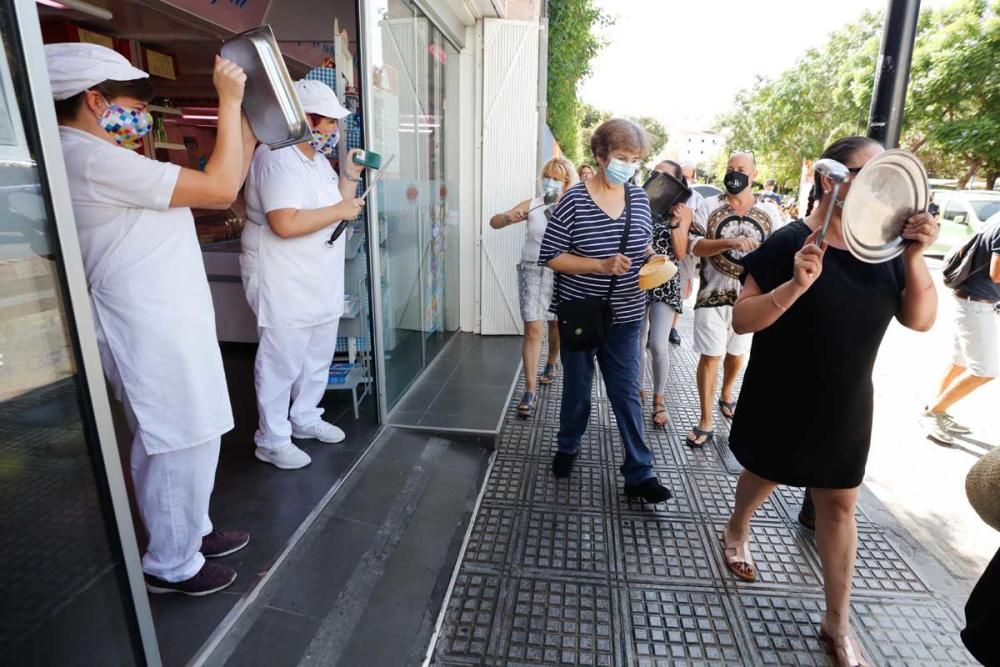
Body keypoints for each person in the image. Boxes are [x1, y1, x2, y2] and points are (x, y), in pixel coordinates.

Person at [46, 43, 257, 596]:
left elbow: (217, 180)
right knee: (174, 439)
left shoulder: (102, 156)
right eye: (135, 102)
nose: (143, 114)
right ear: (95, 101)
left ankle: (192, 530)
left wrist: (247, 124)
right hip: (143, 326)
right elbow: (218, 189)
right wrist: (229, 102)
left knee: (195, 432)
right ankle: (171, 562)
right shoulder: (84, 156)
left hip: (166, 320)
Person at [722, 136, 938, 667]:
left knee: (840, 502)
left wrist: (914, 255)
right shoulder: (789, 241)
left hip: (845, 399)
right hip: (781, 389)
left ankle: (836, 623)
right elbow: (742, 319)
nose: (879, 184)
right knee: (766, 470)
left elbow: (921, 318)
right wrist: (794, 285)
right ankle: (738, 525)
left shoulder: (886, 251)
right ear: (829, 178)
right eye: (866, 172)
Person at [539, 118, 671, 503]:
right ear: (599, 155)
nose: (628, 166)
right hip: (580, 312)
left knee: (627, 393)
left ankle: (640, 472)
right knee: (577, 389)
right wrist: (599, 265)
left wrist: (652, 259)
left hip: (627, 315)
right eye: (621, 157)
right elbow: (551, 256)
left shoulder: (639, 199)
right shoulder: (574, 201)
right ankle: (567, 445)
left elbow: (641, 245)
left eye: (635, 159)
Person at [241, 80, 366, 470]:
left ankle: (306, 418)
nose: (333, 130)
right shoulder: (275, 159)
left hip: (317, 276)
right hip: (284, 278)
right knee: (282, 360)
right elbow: (285, 222)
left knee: (317, 356)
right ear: (301, 119)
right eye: (327, 122)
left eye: (333, 123)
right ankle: (272, 438)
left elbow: (335, 206)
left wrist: (349, 176)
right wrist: (340, 211)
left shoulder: (313, 162)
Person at [685, 152, 781, 446]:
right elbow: (695, 247)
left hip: (750, 299)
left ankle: (727, 393)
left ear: (753, 175)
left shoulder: (770, 213)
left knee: (736, 353)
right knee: (710, 356)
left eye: (740, 169)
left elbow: (779, 251)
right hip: (711, 294)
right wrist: (730, 242)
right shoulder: (708, 206)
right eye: (729, 169)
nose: (734, 174)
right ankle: (705, 420)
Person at [489, 157, 576, 417]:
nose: (550, 181)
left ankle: (551, 362)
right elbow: (494, 222)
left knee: (555, 323)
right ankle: (529, 389)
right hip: (531, 270)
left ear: (567, 182)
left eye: (557, 178)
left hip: (561, 271)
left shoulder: (574, 208)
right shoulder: (534, 204)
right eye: (547, 176)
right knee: (533, 327)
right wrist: (506, 217)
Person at [921, 212, 1000, 445]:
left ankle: (936, 408)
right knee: (984, 371)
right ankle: (934, 412)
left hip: (971, 300)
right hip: (976, 305)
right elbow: (997, 273)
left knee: (960, 362)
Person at [639, 160, 694, 427]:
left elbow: (681, 252)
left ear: (676, 182)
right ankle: (637, 390)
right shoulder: (639, 201)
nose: (655, 178)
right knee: (637, 339)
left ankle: (659, 399)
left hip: (665, 277)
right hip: (637, 277)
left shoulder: (683, 211)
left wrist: (675, 224)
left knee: (658, 343)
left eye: (662, 175)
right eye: (653, 173)